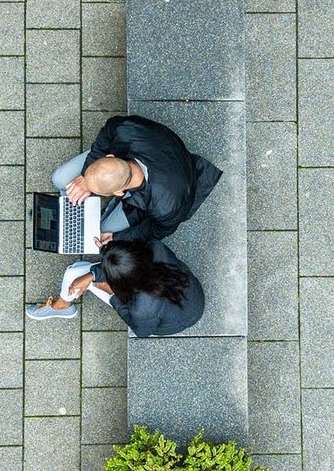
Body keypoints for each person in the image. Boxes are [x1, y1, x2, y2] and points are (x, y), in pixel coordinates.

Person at [50, 115, 222, 245]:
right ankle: (73, 211)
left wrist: (119, 237)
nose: (85, 186)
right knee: (59, 179)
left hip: (151, 198)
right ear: (109, 157)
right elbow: (106, 134)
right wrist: (86, 176)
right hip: (157, 163)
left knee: (99, 232)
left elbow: (156, 230)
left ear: (118, 193)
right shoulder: (125, 131)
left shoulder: (167, 206)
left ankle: (76, 213)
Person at [25, 239, 205, 338]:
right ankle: (65, 303)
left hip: (173, 321)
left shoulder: (141, 309)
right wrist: (92, 275)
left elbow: (142, 331)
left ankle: (62, 307)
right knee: (80, 271)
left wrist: (111, 294)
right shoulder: (155, 248)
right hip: (191, 293)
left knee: (74, 272)